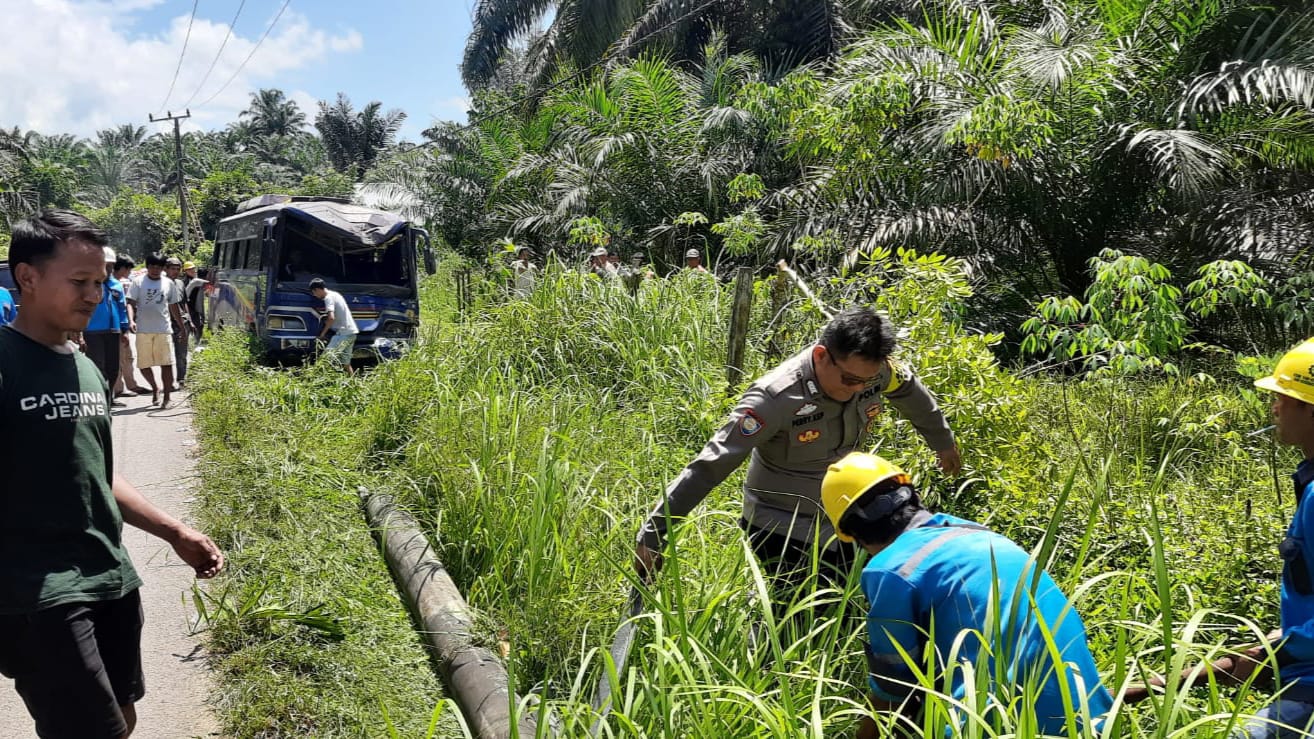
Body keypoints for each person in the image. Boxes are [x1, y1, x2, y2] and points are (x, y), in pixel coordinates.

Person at [0, 209, 223, 739]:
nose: (95, 294)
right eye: (79, 282)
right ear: (27, 278)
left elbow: (97, 470)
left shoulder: (83, 366)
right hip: (38, 593)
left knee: (122, 714)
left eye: (99, 282)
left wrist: (175, 532)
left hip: (109, 574)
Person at [635, 307, 963, 598]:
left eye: (867, 381)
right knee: (801, 614)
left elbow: (910, 391)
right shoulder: (775, 398)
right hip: (782, 523)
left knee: (857, 605)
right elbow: (711, 465)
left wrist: (942, 441)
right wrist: (653, 534)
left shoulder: (872, 373)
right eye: (849, 379)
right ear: (821, 355)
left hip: (846, 518)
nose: (859, 389)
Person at [820, 452, 1112, 738]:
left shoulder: (891, 569)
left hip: (991, 728)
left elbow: (894, 686)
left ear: (852, 534)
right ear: (911, 495)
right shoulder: (983, 535)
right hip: (1091, 719)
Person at [127, 252, 187, 409]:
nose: (155, 269)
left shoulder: (168, 283)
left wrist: (181, 326)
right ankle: (155, 387)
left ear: (163, 268)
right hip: (143, 329)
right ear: (147, 267)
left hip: (163, 329)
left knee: (166, 364)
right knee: (143, 365)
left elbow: (174, 306)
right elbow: (130, 302)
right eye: (152, 266)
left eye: (158, 267)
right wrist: (131, 320)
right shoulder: (138, 282)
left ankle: (167, 397)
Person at [77, 247, 131, 405]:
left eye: (111, 266)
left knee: (113, 368)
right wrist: (79, 333)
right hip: (92, 331)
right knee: (97, 366)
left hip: (113, 331)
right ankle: (99, 401)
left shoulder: (116, 285)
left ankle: (109, 398)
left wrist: (125, 330)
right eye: (105, 265)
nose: (108, 269)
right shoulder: (88, 284)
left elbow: (122, 308)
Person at [111, 256, 149, 399]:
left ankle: (131, 384)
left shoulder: (120, 283)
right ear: (122, 268)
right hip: (116, 327)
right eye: (128, 269)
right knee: (119, 358)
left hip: (123, 325)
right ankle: (119, 388)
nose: (129, 272)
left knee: (128, 357)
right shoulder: (111, 284)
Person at [310, 277, 357, 375]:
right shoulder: (336, 294)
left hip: (342, 334)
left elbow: (331, 318)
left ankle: (312, 384)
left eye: (314, 293)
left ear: (317, 289)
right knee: (346, 363)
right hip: (352, 332)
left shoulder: (328, 298)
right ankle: (354, 384)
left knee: (324, 360)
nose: (314, 295)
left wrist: (322, 334)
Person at [164, 258, 189, 387]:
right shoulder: (161, 283)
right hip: (166, 323)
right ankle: (168, 382)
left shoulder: (180, 283)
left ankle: (181, 379)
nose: (175, 271)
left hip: (182, 322)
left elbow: (184, 303)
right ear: (166, 269)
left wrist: (189, 320)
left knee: (182, 353)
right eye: (172, 269)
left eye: (178, 269)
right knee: (166, 355)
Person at [182, 262, 206, 344]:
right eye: (190, 269)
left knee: (199, 325)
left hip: (196, 307)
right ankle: (192, 344)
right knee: (194, 325)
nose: (193, 271)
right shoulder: (186, 282)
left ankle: (194, 343)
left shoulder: (195, 280)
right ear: (185, 271)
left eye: (193, 269)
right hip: (189, 308)